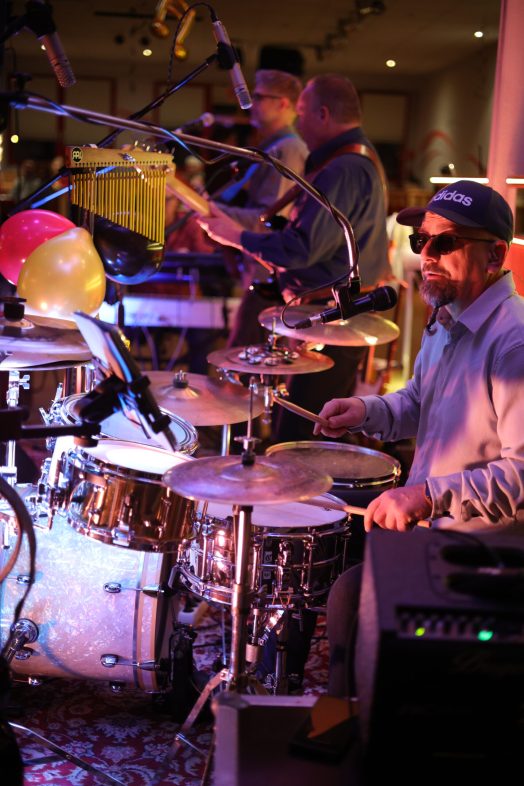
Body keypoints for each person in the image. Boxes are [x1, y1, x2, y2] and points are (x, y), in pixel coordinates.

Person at [312, 180, 524, 696]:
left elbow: (522, 476)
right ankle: (346, 712)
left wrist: (426, 496)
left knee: (349, 596)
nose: (427, 255)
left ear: (495, 255)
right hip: (437, 533)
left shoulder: (513, 343)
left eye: (445, 242)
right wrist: (365, 411)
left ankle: (352, 718)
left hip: (483, 554)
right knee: (339, 579)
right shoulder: (447, 319)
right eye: (421, 240)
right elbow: (418, 402)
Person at [199, 73, 390, 442]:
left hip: (332, 316)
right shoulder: (351, 159)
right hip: (329, 313)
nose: (298, 124)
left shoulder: (343, 168)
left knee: (301, 435)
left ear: (323, 114)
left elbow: (302, 249)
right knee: (303, 427)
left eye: (302, 114)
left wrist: (236, 236)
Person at [214, 68, 308, 347]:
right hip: (260, 273)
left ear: (283, 104)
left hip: (269, 279)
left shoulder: (288, 150)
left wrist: (211, 212)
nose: (250, 103)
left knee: (244, 359)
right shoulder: (276, 147)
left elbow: (270, 221)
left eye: (259, 97)